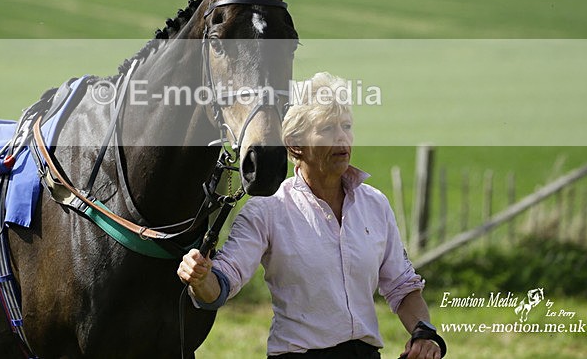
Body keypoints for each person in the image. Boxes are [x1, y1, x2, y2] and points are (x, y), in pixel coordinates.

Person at [177, 72, 446, 358]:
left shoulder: (375, 204)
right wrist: (201, 278)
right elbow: (221, 283)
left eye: (346, 126)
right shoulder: (267, 209)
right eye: (328, 128)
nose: (342, 137)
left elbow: (402, 287)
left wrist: (424, 334)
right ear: (294, 144)